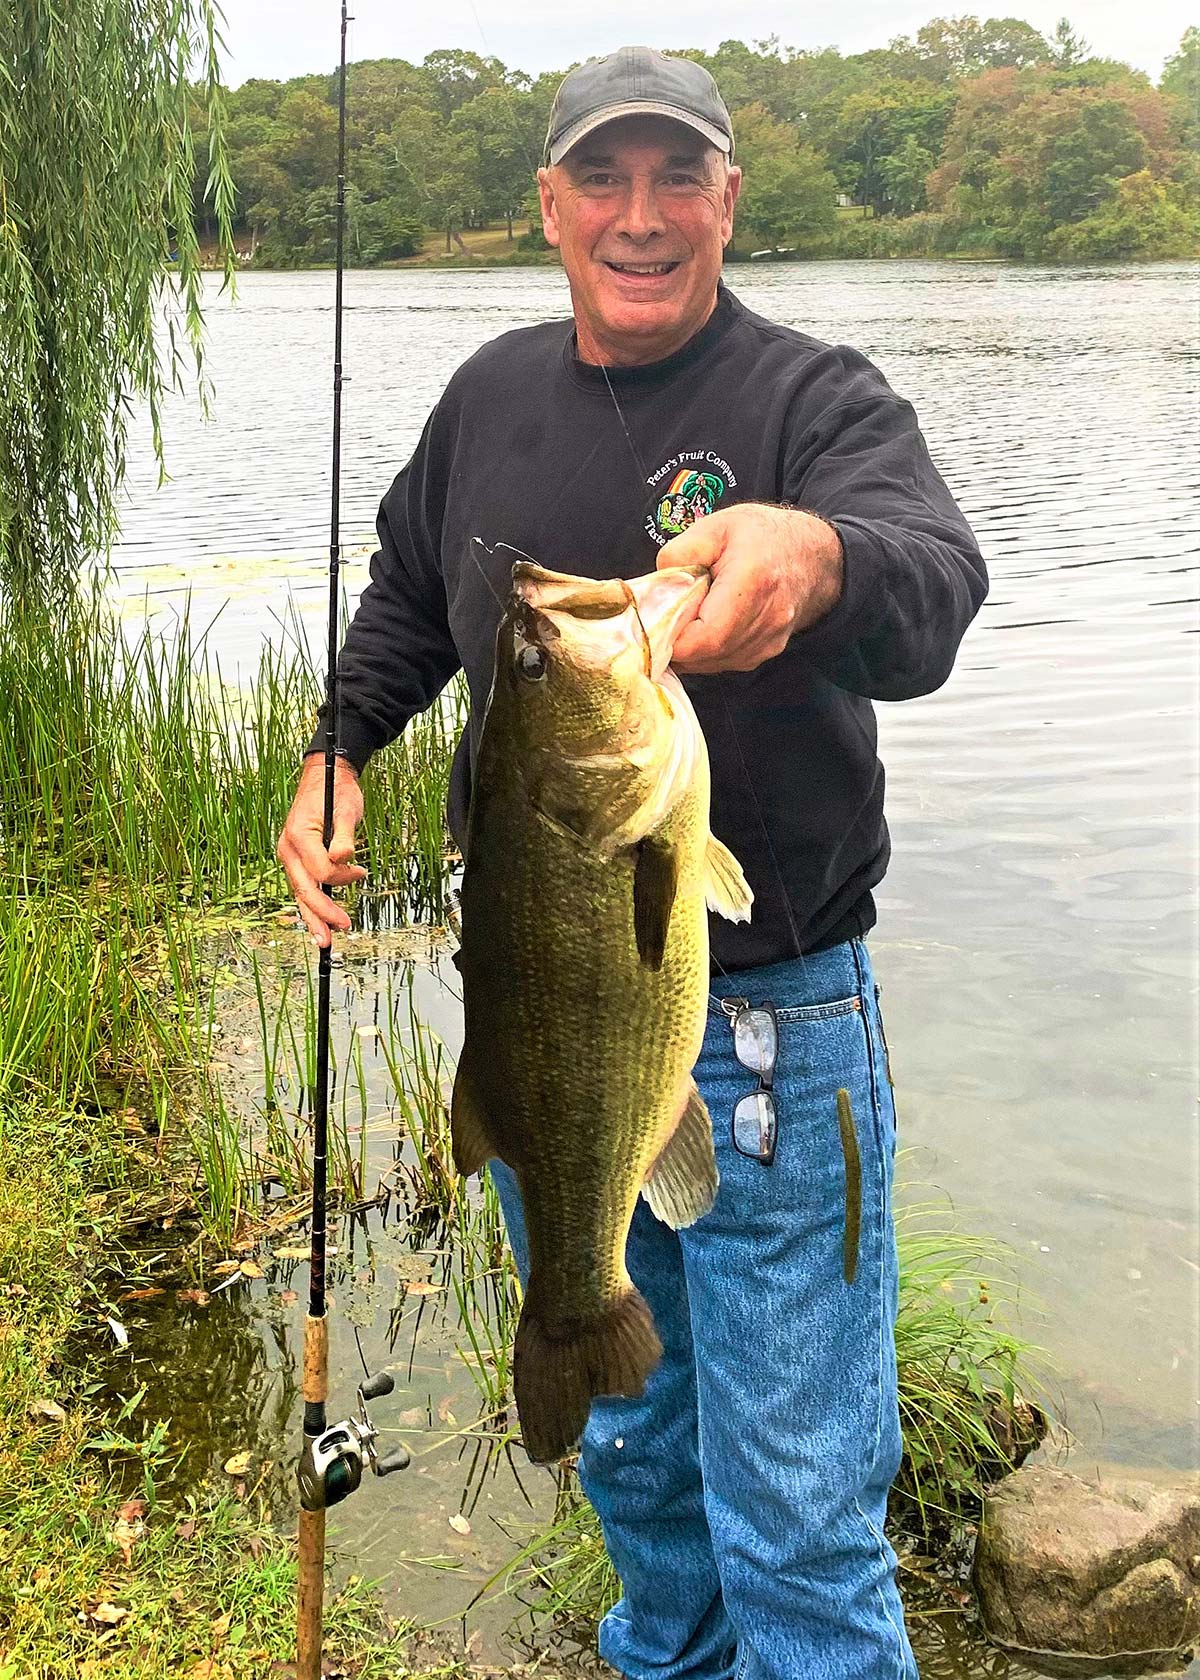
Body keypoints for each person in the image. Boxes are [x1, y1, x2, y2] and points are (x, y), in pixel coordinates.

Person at [277, 45, 987, 1680]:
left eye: (680, 178)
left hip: (774, 1046)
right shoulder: (488, 398)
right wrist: (339, 745)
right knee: (640, 1474)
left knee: (801, 1516)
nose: (642, 216)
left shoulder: (817, 399)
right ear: (551, 207)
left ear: (731, 201)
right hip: (539, 1036)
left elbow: (933, 579)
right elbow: (408, 595)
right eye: (605, 178)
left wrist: (809, 557)